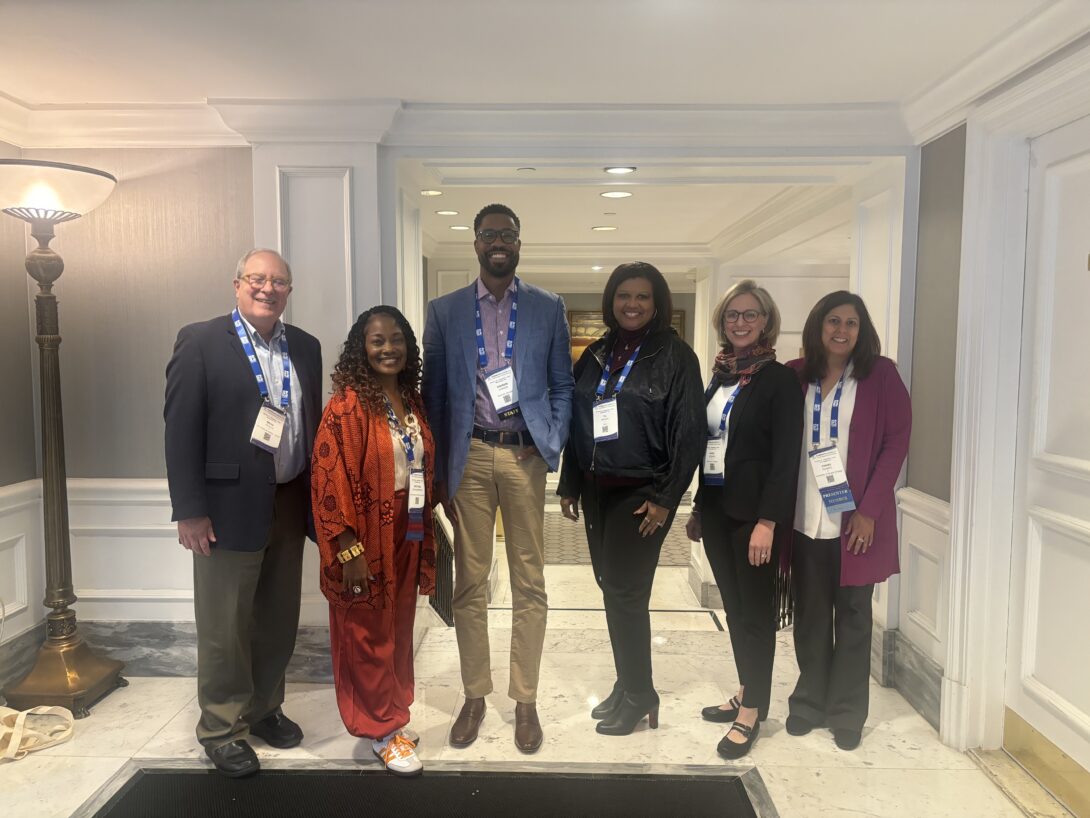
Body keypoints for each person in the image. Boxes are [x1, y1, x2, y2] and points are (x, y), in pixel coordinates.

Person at [422, 203, 573, 753]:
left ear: (518, 240)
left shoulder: (547, 307)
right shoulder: (444, 311)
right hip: (470, 458)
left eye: (507, 233)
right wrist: (439, 473)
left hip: (524, 457)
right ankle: (475, 695)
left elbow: (562, 385)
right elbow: (435, 395)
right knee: (470, 581)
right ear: (476, 244)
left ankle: (525, 699)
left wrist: (549, 440)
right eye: (488, 235)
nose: (498, 243)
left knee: (530, 580)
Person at [164, 249, 322, 777]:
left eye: (279, 281)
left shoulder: (306, 347)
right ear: (236, 284)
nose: (268, 288)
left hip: (290, 499)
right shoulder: (201, 340)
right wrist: (190, 510)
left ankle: (263, 710)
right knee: (225, 624)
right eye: (258, 279)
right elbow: (180, 429)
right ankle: (220, 727)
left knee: (277, 618)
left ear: (289, 292)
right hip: (225, 507)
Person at [558, 262, 705, 736]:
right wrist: (570, 482)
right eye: (624, 295)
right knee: (614, 589)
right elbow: (579, 420)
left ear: (658, 303)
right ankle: (629, 684)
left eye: (643, 296)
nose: (632, 304)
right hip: (599, 490)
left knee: (625, 592)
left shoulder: (676, 356)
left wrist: (666, 498)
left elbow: (689, 433)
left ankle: (641, 694)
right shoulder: (598, 353)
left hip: (643, 495)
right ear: (611, 300)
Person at [311, 305, 436, 776]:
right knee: (366, 632)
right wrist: (347, 546)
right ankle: (381, 729)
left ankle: (394, 717)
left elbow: (421, 465)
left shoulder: (411, 399)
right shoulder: (346, 405)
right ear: (360, 350)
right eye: (377, 341)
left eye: (396, 339)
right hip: (364, 535)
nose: (388, 348)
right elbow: (327, 479)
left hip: (408, 527)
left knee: (397, 626)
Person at [784, 291, 911, 751]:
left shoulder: (881, 376)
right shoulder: (796, 375)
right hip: (805, 518)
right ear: (818, 326)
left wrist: (870, 511)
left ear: (862, 330)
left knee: (855, 617)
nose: (841, 330)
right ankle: (808, 703)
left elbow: (895, 444)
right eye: (833, 321)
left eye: (851, 323)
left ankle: (847, 712)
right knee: (811, 616)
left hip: (857, 522)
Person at [685, 279, 802, 760]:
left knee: (755, 616)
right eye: (732, 314)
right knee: (734, 610)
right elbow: (709, 444)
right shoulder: (721, 376)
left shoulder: (777, 381)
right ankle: (746, 688)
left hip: (754, 519)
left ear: (766, 321)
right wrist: (696, 506)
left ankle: (753, 708)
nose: (740, 322)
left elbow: (784, 460)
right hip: (716, 511)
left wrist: (768, 522)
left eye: (750, 314)